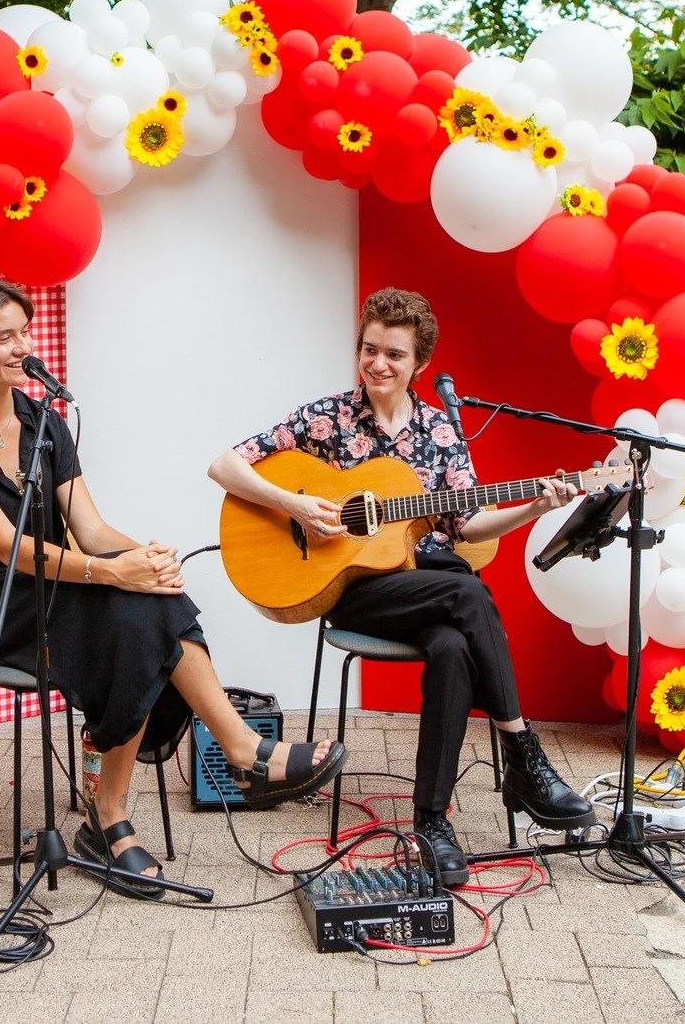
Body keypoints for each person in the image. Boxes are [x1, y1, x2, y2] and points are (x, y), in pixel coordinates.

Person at [0, 276, 346, 897]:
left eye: (24, 332)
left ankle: (136, 804)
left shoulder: (45, 424)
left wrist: (141, 557)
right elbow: (6, 548)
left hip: (53, 586)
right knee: (125, 610)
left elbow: (89, 527)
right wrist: (113, 572)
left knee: (152, 601)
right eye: (5, 337)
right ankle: (214, 767)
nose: (22, 347)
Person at [208, 287, 597, 886]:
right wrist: (296, 505)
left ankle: (431, 823)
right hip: (356, 591)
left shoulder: (440, 432)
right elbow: (225, 465)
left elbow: (467, 524)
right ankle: (522, 754)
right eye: (369, 350)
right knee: (469, 595)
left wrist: (531, 506)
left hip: (425, 585)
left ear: (420, 364)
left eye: (393, 354)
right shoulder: (326, 417)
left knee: (451, 643)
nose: (377, 364)